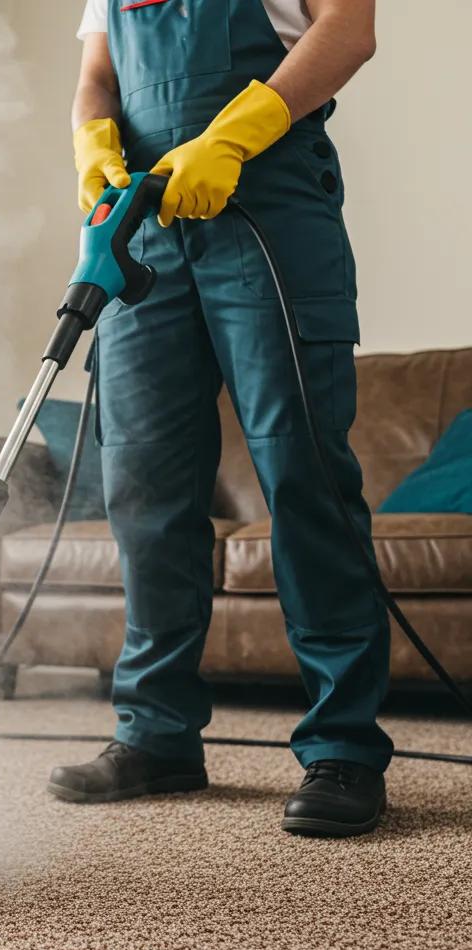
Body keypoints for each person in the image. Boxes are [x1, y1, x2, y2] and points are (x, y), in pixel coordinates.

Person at [49, 0, 389, 837]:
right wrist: (94, 145)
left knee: (301, 474)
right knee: (142, 484)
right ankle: (156, 734)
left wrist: (235, 135)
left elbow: (348, 28)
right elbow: (97, 77)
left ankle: (342, 746)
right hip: (141, 223)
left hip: (264, 205)